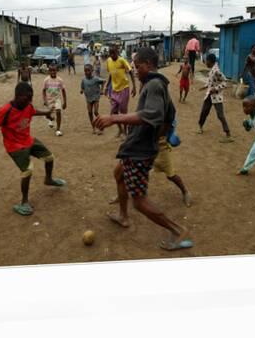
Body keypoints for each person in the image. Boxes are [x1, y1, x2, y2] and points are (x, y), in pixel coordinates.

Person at [94, 47, 193, 251]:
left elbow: (153, 115)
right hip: (139, 147)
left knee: (139, 202)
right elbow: (169, 114)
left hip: (140, 151)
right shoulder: (157, 84)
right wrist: (159, 136)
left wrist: (114, 118)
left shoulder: (154, 85)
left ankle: (178, 229)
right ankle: (123, 216)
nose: (135, 70)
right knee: (118, 173)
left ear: (147, 65)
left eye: (137, 67)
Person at [0, 82, 66, 216]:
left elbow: (33, 111)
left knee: (49, 157)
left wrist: (47, 113)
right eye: (27, 98)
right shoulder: (6, 110)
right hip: (14, 146)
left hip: (27, 140)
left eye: (31, 98)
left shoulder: (27, 105)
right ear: (17, 96)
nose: (29, 101)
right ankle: (23, 202)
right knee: (28, 170)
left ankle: (49, 179)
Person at [197, 53, 233, 143]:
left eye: (206, 61)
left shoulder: (216, 71)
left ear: (210, 61)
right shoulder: (212, 70)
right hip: (210, 95)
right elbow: (211, 82)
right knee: (204, 111)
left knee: (220, 115)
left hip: (217, 96)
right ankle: (200, 126)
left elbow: (225, 82)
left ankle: (228, 134)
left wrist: (216, 89)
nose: (205, 62)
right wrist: (205, 87)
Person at [104, 45, 137, 139]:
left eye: (113, 53)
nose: (112, 55)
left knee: (123, 113)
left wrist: (134, 86)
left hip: (124, 89)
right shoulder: (109, 61)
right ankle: (120, 130)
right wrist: (106, 87)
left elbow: (130, 71)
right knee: (113, 112)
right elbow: (111, 74)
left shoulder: (122, 60)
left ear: (117, 52)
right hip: (114, 90)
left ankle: (125, 132)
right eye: (110, 53)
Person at [80, 64, 105, 134]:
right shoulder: (83, 80)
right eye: (85, 71)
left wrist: (102, 90)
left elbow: (103, 81)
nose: (87, 72)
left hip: (96, 97)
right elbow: (82, 86)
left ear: (92, 71)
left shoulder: (96, 79)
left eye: (88, 70)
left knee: (95, 112)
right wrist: (81, 90)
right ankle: (93, 127)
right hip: (88, 98)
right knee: (90, 112)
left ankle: (101, 125)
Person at [43, 64, 67, 136]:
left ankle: (58, 129)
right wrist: (45, 100)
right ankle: (51, 119)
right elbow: (44, 91)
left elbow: (63, 91)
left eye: (54, 70)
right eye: (51, 70)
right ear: (49, 71)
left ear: (56, 71)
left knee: (58, 111)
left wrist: (65, 102)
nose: (53, 72)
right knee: (48, 114)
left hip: (57, 99)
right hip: (49, 99)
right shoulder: (46, 80)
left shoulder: (60, 80)